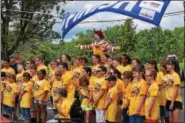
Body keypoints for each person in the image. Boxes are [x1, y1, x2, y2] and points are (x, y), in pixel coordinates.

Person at [164, 59, 182, 123]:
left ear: (173, 66)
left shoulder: (176, 75)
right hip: (168, 100)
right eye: (167, 64)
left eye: (169, 64)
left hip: (175, 101)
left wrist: (172, 102)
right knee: (170, 121)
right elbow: (165, 88)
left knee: (175, 121)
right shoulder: (167, 76)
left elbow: (176, 90)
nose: (167, 66)